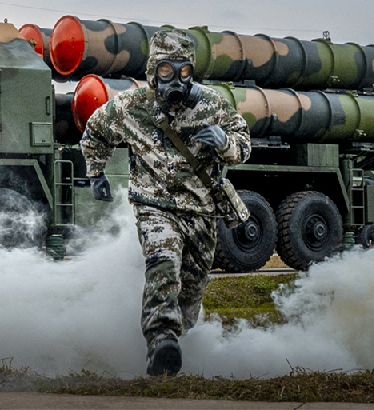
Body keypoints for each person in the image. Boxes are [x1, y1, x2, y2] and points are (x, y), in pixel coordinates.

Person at [80, 29, 250, 376]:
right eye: (167, 71)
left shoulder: (213, 104)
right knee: (163, 260)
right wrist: (96, 173)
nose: (176, 79)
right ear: (153, 71)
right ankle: (160, 341)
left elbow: (243, 145)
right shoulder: (131, 107)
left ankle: (176, 338)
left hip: (201, 210)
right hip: (154, 206)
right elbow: (95, 131)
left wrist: (225, 143)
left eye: (184, 71)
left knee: (191, 290)